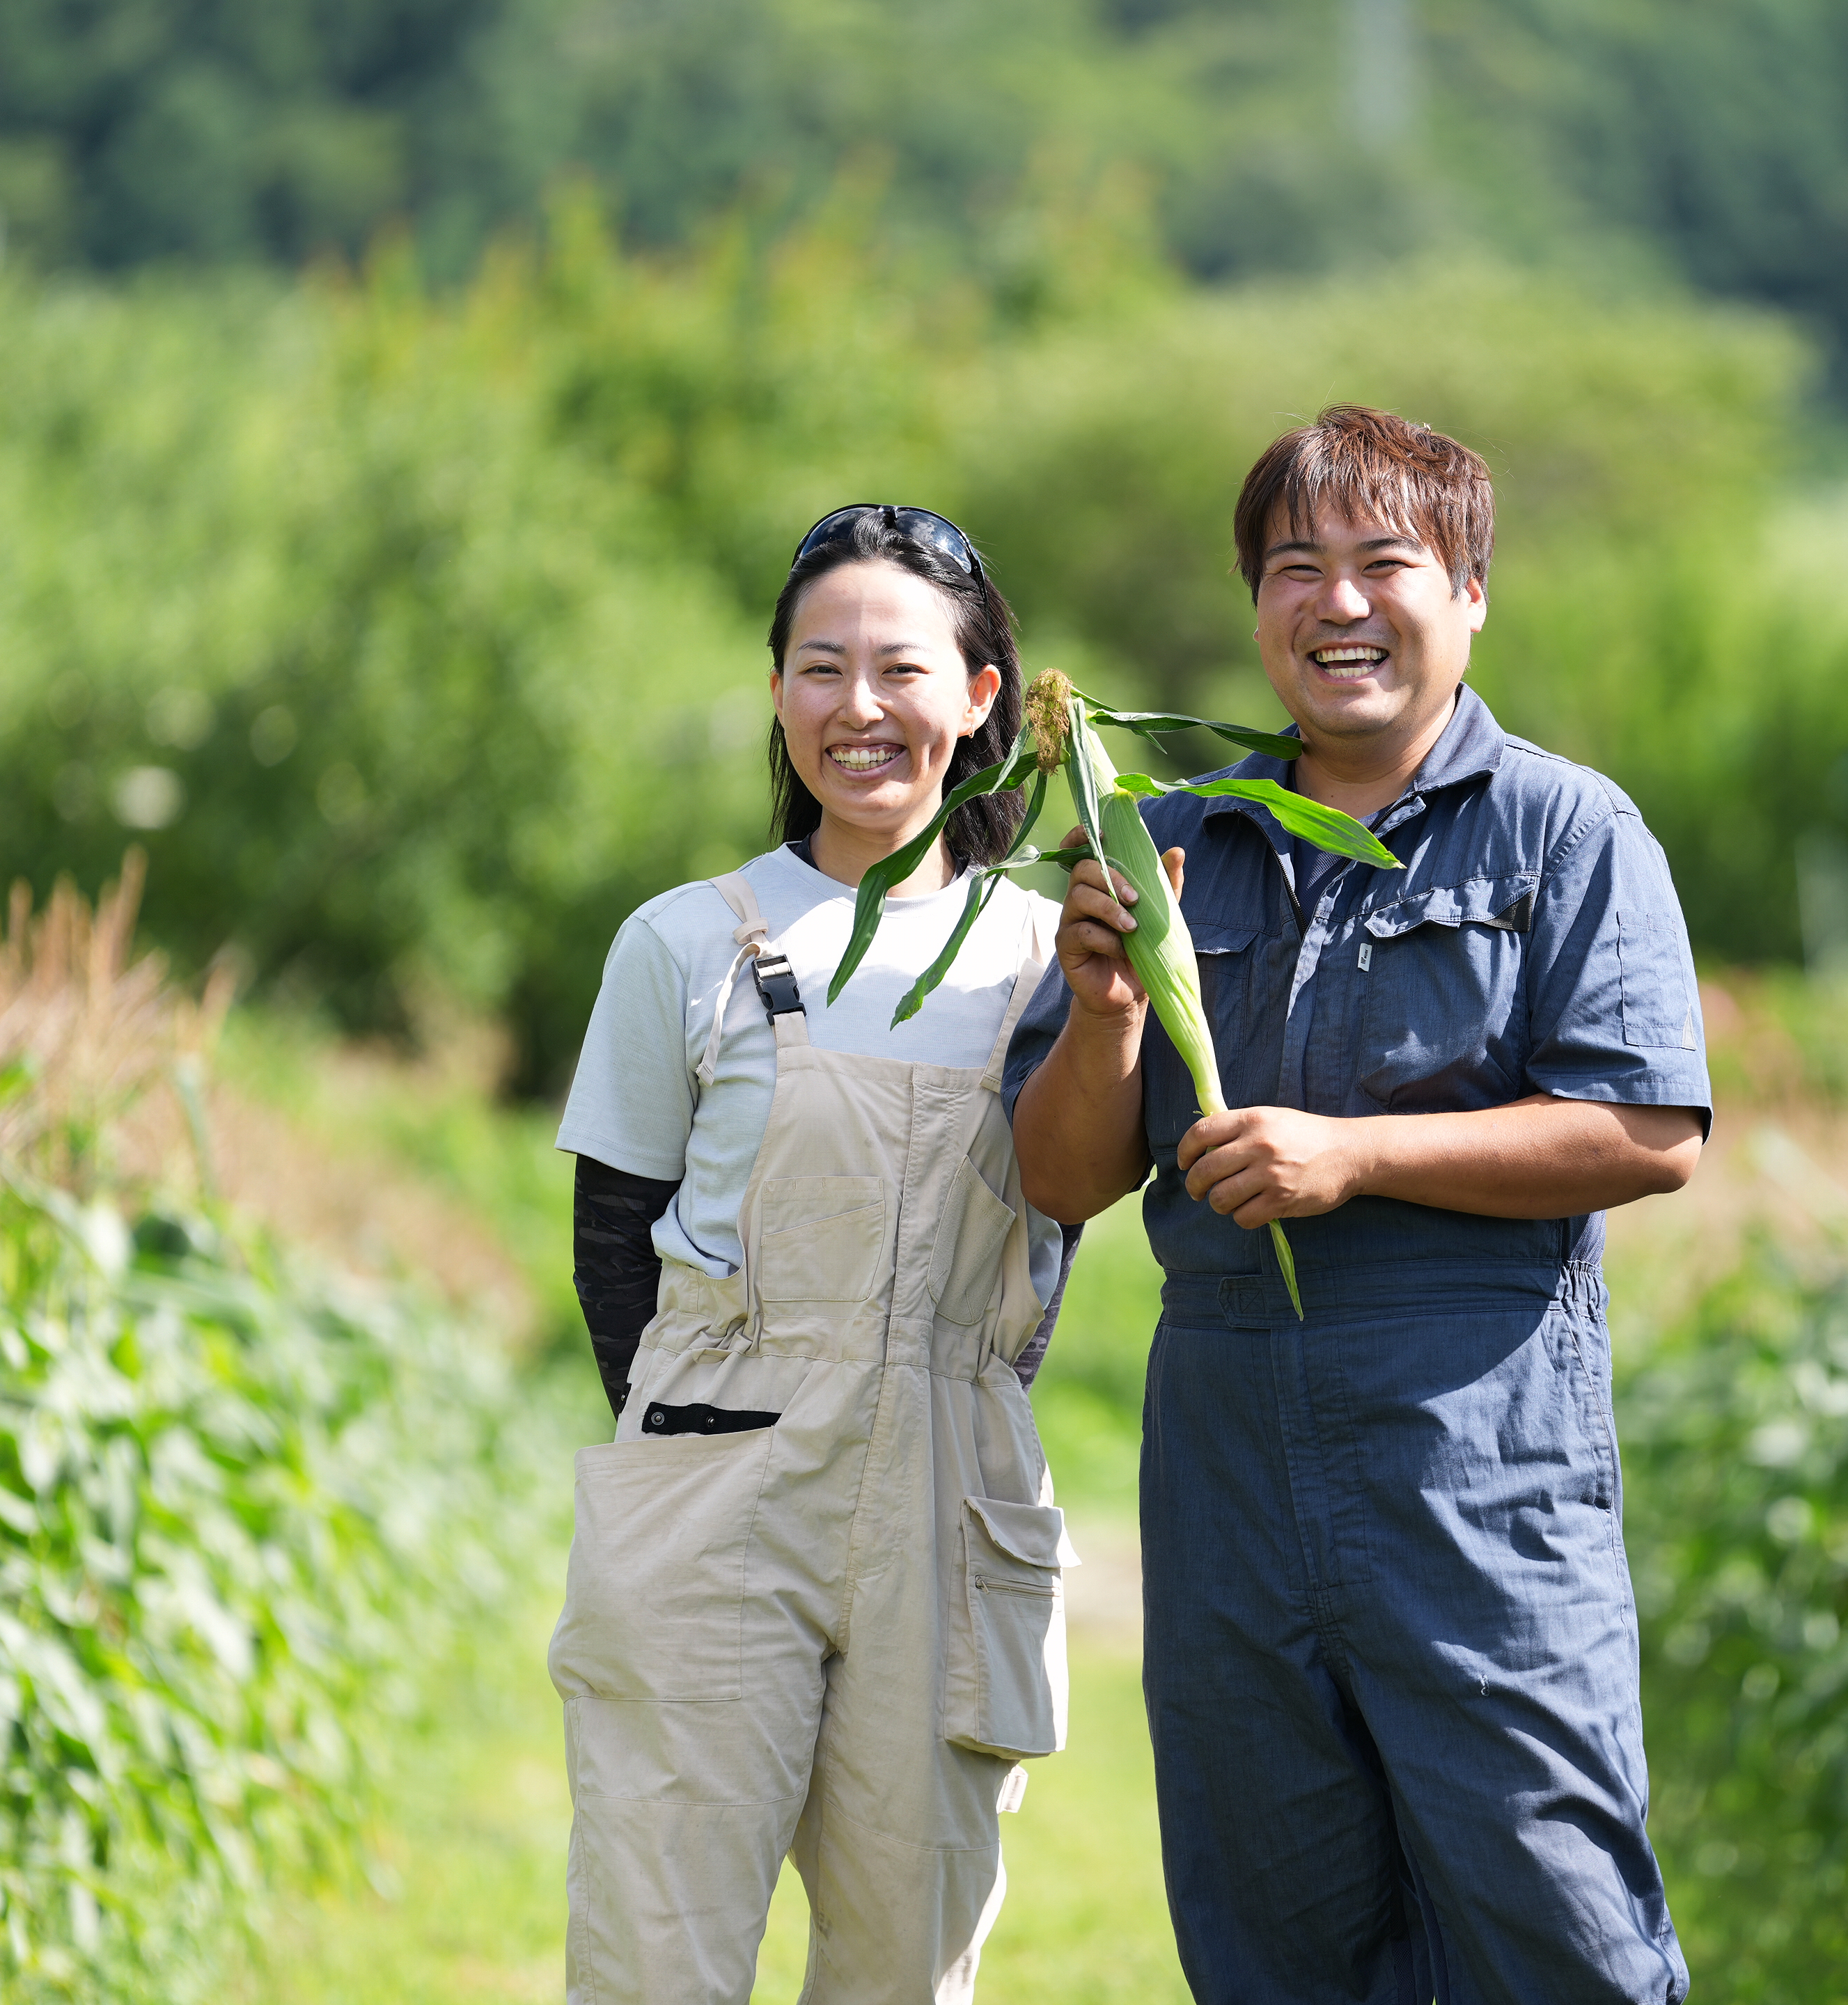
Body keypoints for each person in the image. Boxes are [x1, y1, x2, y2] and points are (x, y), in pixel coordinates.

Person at [1007, 405, 1709, 2003]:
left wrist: (1360, 1156)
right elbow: (1059, 1180)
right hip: (1229, 1440)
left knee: (1556, 1911)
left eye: (1385, 564)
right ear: (1253, 608)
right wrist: (1110, 1007)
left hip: (1474, 1445)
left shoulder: (1563, 829)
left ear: (1470, 596)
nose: (1338, 604)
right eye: (1294, 569)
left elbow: (1649, 1128)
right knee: (1276, 1919)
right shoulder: (1169, 840)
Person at [551, 505, 1077, 2004]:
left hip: (952, 1489)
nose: (859, 709)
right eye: (819, 668)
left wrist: (946, 1392)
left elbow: (1065, 1216)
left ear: (982, 703)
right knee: (659, 1948)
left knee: (903, 1963)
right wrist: (705, 1436)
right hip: (715, 1480)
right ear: (776, 694)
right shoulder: (686, 940)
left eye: (901, 671)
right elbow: (613, 1248)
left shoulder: (1047, 952)